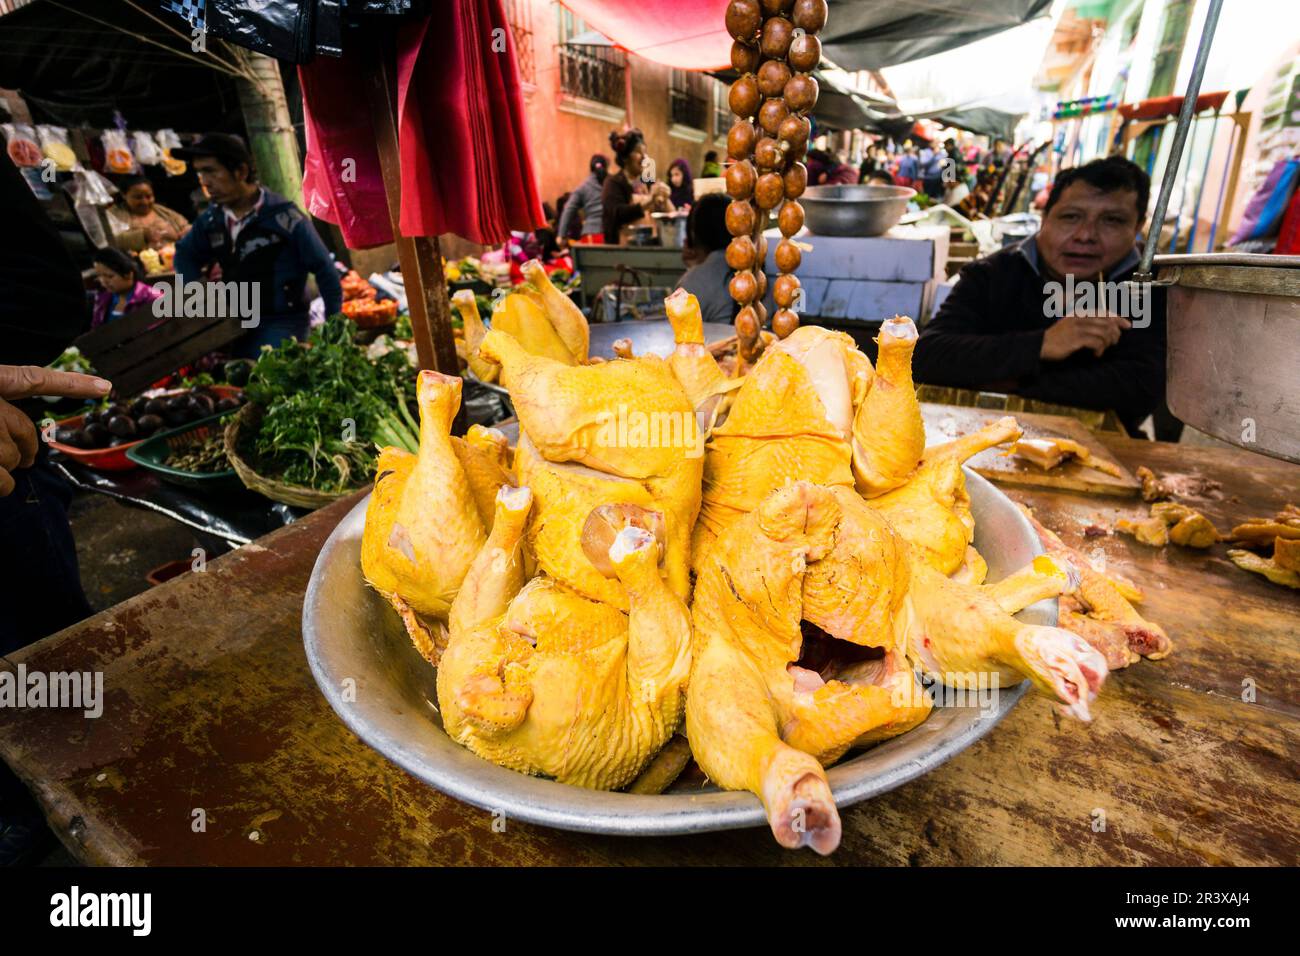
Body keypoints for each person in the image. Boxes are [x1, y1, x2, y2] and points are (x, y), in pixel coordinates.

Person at [914, 156, 1167, 437]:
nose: (1085, 235)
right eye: (1070, 217)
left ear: (1138, 227)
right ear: (1045, 217)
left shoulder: (1148, 289)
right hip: (981, 439)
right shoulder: (992, 274)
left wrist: (1004, 378)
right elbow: (928, 356)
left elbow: (1140, 390)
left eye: (1112, 221)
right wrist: (1044, 344)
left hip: (1104, 452)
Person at [171, 133, 342, 357]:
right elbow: (184, 255)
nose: (205, 182)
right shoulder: (212, 220)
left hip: (282, 322)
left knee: (268, 378)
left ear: (240, 171)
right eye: (200, 173)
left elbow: (325, 269)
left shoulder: (284, 217)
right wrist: (203, 298)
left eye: (211, 171)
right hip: (234, 323)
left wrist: (334, 327)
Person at [602, 129, 672, 244]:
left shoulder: (648, 183)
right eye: (638, 152)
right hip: (623, 252)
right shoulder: (613, 183)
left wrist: (666, 198)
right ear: (625, 158)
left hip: (649, 249)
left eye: (645, 152)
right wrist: (649, 200)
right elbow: (618, 214)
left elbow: (669, 216)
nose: (644, 157)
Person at [675, 192, 734, 324]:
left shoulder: (691, 284)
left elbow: (677, 335)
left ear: (694, 236)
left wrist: (693, 271)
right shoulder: (758, 271)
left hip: (718, 343)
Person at [106, 174, 190, 252]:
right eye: (138, 197)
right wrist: (143, 235)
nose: (145, 202)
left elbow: (185, 226)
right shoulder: (113, 215)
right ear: (123, 195)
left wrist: (188, 231)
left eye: (149, 196)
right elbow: (110, 240)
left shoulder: (162, 211)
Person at [91, 247, 160, 328]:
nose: (103, 282)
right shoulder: (102, 299)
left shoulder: (152, 298)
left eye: (109, 276)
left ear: (129, 274)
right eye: (99, 276)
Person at [556, 154, 608, 246]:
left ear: (591, 167)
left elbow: (568, 209)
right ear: (606, 166)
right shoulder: (613, 183)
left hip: (590, 235)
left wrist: (562, 235)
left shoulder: (583, 187)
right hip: (612, 234)